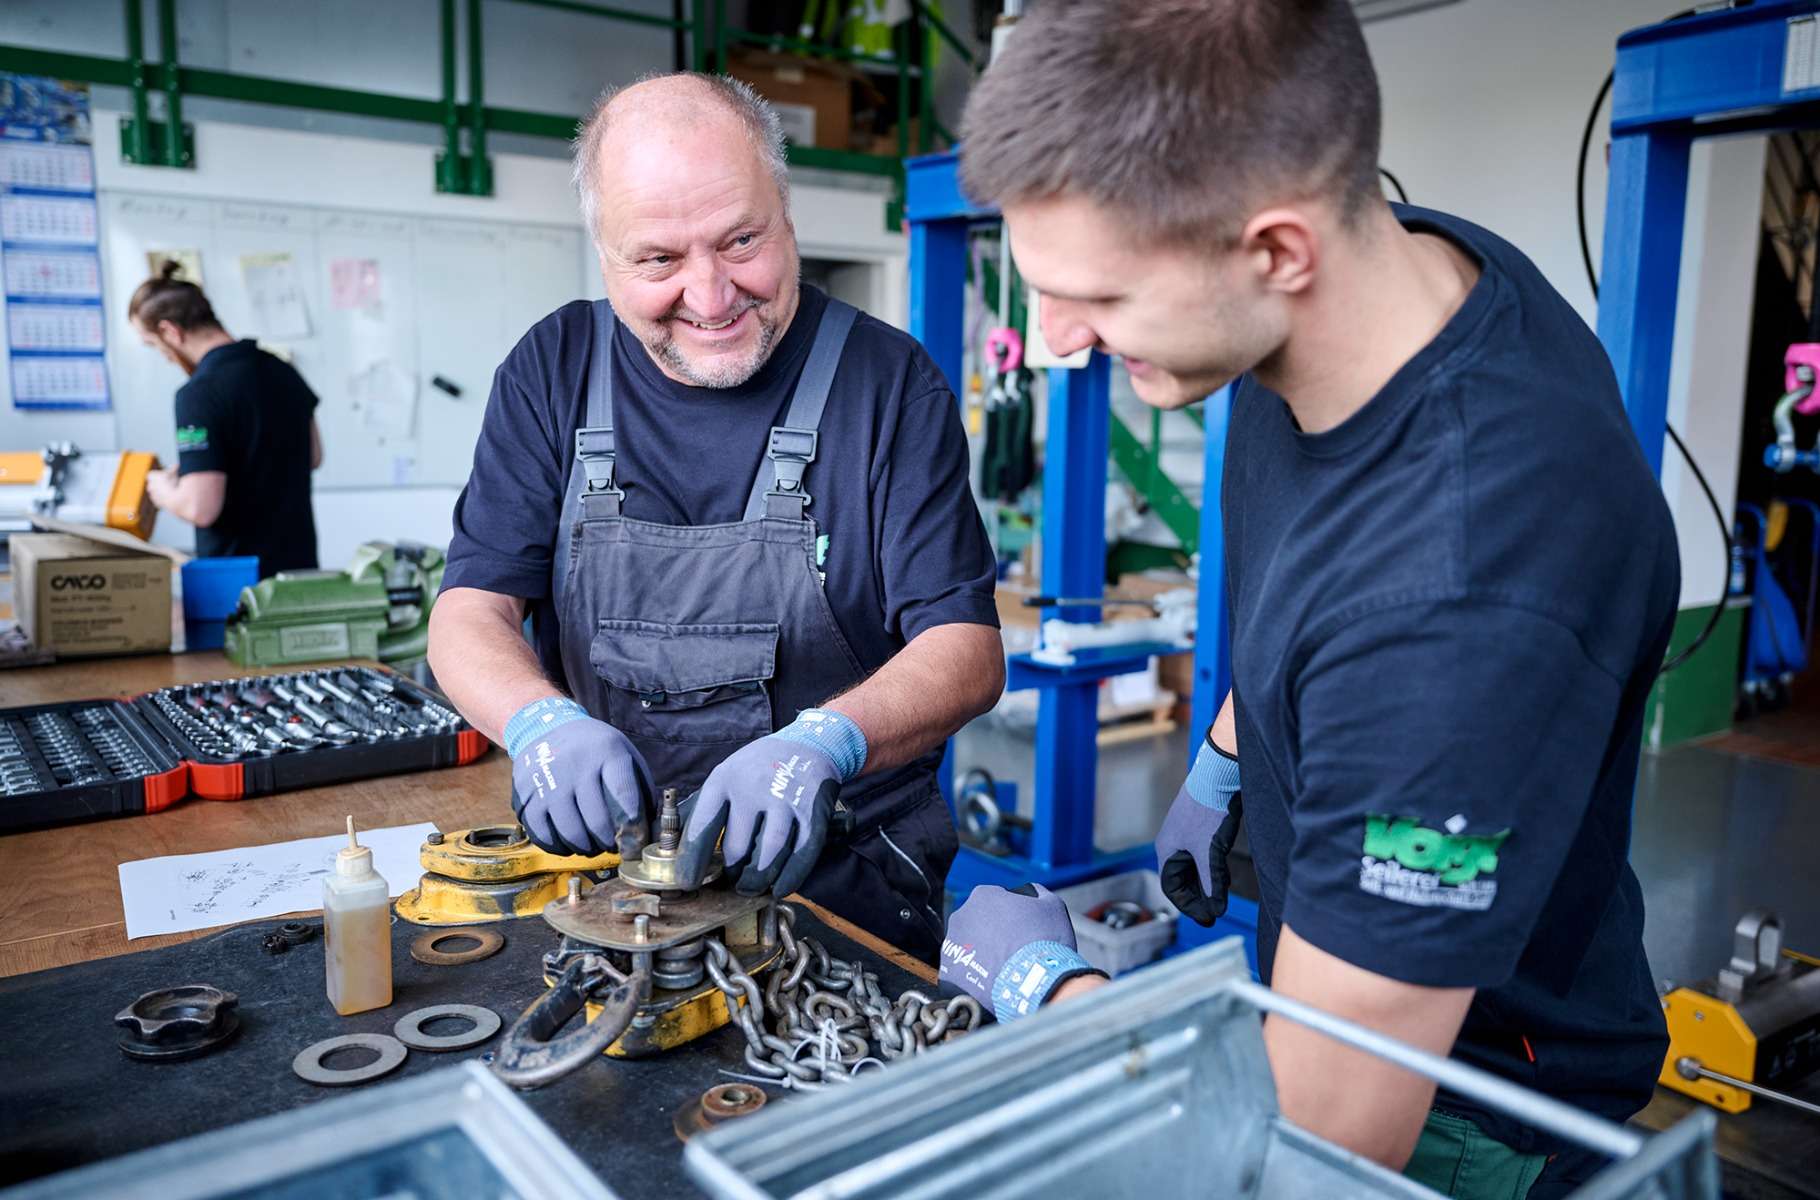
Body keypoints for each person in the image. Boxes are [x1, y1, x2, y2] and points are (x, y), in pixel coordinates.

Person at [937, 3, 1680, 1196]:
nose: (1058, 343)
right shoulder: (1391, 286)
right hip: (1335, 971)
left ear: (1277, 249)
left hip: (1467, 1107)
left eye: (1101, 300)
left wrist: (1051, 995)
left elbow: (1319, 1141)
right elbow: (1315, 572)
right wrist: (1228, 750)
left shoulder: (1466, 587)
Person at [427, 73, 1002, 962]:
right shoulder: (553, 371)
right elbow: (470, 611)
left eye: (741, 240)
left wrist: (828, 741)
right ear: (606, 255)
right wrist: (537, 720)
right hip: (604, 888)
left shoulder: (889, 386)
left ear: (786, 214)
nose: (711, 294)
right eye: (659, 260)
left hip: (844, 890)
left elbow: (966, 649)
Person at [128, 262, 322, 574]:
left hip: (237, 586)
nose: (163, 357)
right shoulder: (281, 368)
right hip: (299, 573)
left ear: (170, 331)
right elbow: (313, 455)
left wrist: (164, 492)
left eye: (153, 344)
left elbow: (200, 507)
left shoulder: (198, 394)